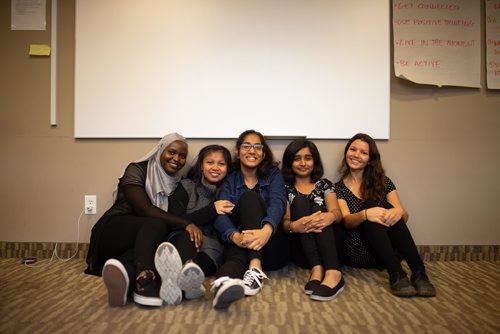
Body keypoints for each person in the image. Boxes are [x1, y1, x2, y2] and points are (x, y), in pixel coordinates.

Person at [85, 133, 197, 307]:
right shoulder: (136, 170)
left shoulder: (179, 184)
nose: (177, 159)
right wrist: (186, 224)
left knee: (149, 245)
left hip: (141, 245)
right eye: (172, 152)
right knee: (155, 223)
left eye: (182, 156)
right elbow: (144, 209)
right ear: (160, 150)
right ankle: (146, 278)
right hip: (115, 233)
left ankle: (129, 282)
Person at [335, 133, 436, 297]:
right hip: (358, 252)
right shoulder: (338, 188)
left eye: (363, 152)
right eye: (353, 149)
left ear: (370, 158)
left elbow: (404, 218)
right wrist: (366, 214)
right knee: (369, 206)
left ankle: (419, 272)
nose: (356, 155)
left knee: (387, 207)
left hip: (388, 252)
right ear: (346, 152)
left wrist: (399, 211)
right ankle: (396, 273)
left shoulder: (384, 182)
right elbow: (346, 221)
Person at [210, 130, 289, 310]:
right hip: (242, 243)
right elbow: (220, 212)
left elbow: (278, 203)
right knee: (234, 257)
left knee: (248, 198)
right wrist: (235, 236)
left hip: (271, 247)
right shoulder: (230, 178)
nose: (251, 150)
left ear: (263, 153)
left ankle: (255, 267)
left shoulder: (273, 174)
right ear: (238, 152)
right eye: (246, 146)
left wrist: (266, 231)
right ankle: (224, 286)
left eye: (257, 147)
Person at [159, 145, 235, 302]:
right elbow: (175, 221)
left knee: (208, 260)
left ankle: (180, 281)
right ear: (201, 165)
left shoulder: (228, 192)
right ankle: (189, 276)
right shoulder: (186, 186)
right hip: (182, 238)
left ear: (228, 168)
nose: (215, 168)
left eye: (221, 164)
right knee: (187, 236)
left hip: (211, 247)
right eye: (210, 162)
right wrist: (212, 210)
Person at [281, 139, 345, 301]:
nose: (303, 163)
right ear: (290, 162)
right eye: (297, 159)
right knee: (300, 201)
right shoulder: (285, 188)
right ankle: (316, 269)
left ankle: (333, 272)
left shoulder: (324, 185)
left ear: (314, 161)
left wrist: (329, 216)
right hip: (302, 250)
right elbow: (285, 223)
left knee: (319, 209)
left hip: (329, 248)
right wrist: (296, 226)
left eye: (308, 158)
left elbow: (337, 213)